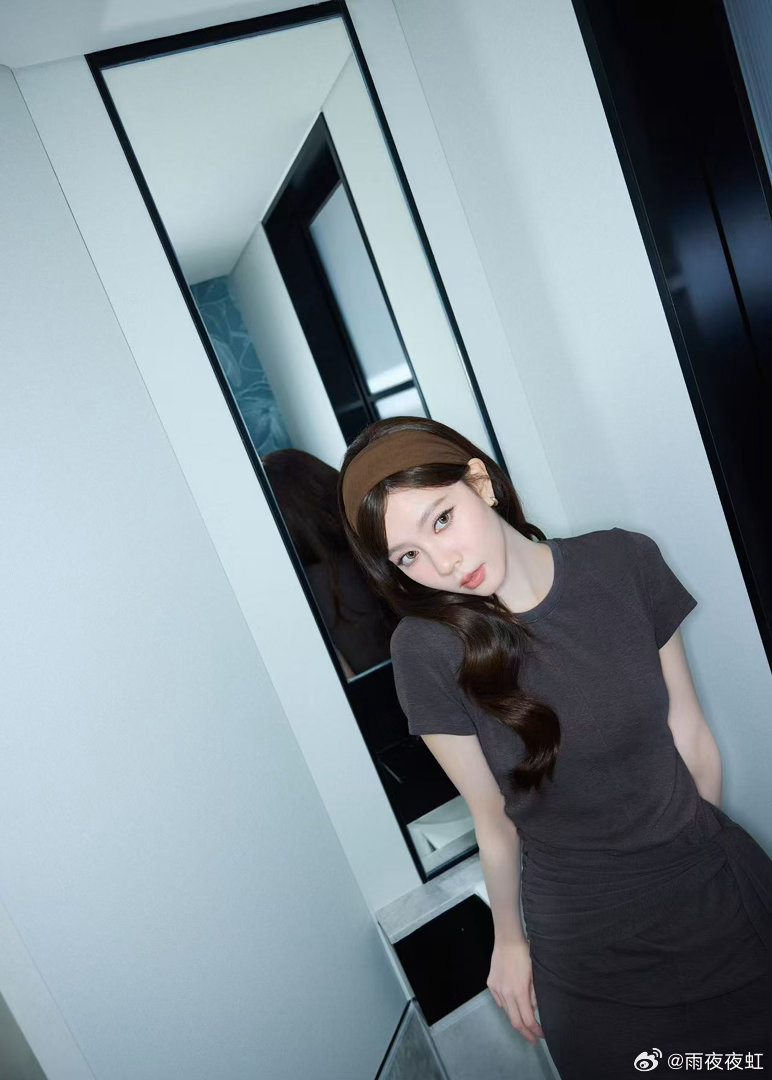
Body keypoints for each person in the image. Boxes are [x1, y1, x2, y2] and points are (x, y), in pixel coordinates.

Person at [337, 415, 772, 1079]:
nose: (443, 564)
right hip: (589, 945)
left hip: (718, 900)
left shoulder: (622, 561)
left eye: (442, 519)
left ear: (479, 482)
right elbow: (493, 816)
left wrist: (692, 853)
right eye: (409, 557)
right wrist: (509, 941)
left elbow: (688, 731)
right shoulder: (426, 650)